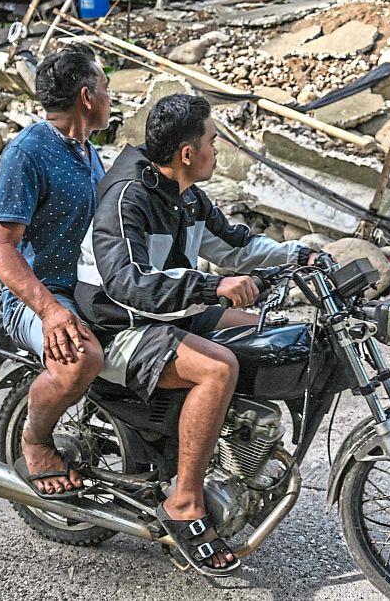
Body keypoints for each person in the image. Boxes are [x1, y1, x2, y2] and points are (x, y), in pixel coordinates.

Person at [75, 94, 312, 574]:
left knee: (264, 334)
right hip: (116, 324)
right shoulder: (128, 197)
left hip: (165, 313)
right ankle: (183, 502)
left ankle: (237, 453)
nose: (217, 149)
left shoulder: (185, 195)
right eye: (212, 141)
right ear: (188, 153)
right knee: (217, 367)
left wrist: (300, 256)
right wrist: (211, 285)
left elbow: (236, 247)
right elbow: (127, 283)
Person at [0, 47, 110, 499]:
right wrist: (50, 311)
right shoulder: (28, 152)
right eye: (105, 85)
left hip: (89, 289)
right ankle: (35, 441)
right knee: (81, 360)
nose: (110, 94)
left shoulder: (86, 150)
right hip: (37, 299)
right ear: (87, 96)